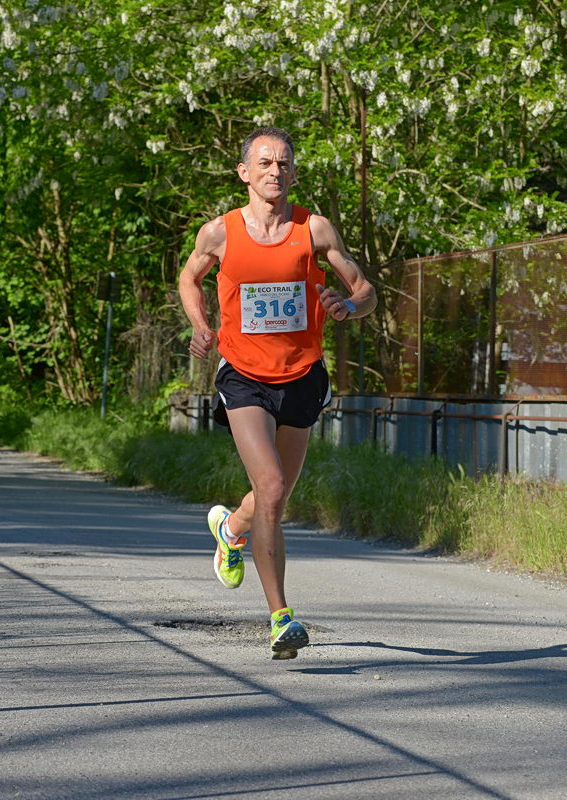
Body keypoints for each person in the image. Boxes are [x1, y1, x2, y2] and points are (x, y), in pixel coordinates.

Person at [178, 127, 376, 659]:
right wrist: (201, 326)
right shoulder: (219, 233)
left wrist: (348, 307)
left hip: (302, 374)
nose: (275, 171)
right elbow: (189, 279)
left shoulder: (314, 229)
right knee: (270, 486)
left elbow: (365, 291)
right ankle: (281, 618)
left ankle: (231, 528)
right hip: (243, 375)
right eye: (264, 163)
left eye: (284, 163)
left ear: (293, 172)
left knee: (275, 497)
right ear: (244, 172)